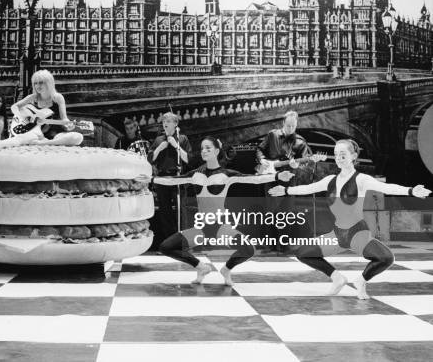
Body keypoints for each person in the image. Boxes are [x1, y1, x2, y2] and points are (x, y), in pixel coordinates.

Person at [269, 139, 431, 299]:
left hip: (357, 234)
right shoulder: (330, 180)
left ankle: (361, 280)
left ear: (353, 156)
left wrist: (411, 191)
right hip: (337, 234)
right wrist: (286, 189)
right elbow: (307, 189)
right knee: (303, 253)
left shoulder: (361, 179)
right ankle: (337, 278)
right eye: (336, 154)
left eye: (343, 154)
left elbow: (386, 187)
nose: (338, 158)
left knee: (386, 258)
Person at [153, 137, 294, 284]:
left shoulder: (227, 174)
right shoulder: (195, 174)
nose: (204, 151)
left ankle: (226, 269)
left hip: (221, 228)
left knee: (249, 250)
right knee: (166, 247)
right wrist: (151, 179)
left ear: (217, 150)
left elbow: (253, 179)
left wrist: (277, 175)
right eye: (202, 148)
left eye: (208, 148)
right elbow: (171, 180)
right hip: (201, 228)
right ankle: (201, 267)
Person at [256, 110, 313, 253]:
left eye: (293, 126)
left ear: (296, 124)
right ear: (283, 123)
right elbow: (259, 149)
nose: (290, 128)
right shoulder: (272, 135)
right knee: (270, 212)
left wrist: (298, 165)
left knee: (286, 213)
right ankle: (270, 246)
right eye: (288, 125)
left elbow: (306, 161)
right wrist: (262, 159)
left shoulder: (300, 142)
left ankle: (284, 246)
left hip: (289, 181)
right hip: (271, 178)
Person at [0, 70, 83, 149]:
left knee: (78, 137)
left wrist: (68, 125)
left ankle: (44, 144)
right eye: (35, 83)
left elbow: (64, 118)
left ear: (49, 83)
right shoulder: (33, 97)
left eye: (41, 83)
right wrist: (25, 116)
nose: (37, 86)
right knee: (21, 138)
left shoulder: (58, 98)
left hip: (55, 133)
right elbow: (14, 107)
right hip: (36, 132)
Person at [147, 112, 192, 247]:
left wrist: (176, 146)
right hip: (162, 177)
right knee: (165, 211)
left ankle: (183, 241)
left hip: (178, 176)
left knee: (181, 209)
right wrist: (159, 149)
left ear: (175, 124)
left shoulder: (182, 139)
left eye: (168, 121)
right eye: (163, 121)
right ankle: (170, 243)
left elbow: (188, 159)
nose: (165, 123)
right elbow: (150, 159)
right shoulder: (159, 140)